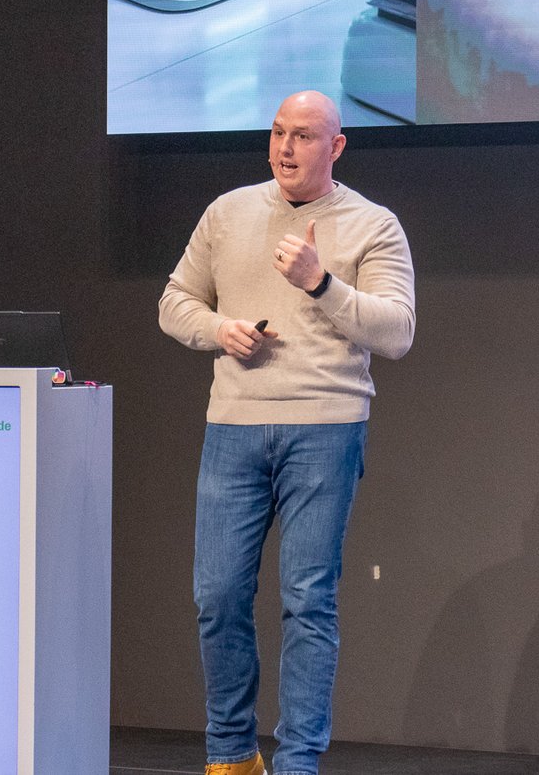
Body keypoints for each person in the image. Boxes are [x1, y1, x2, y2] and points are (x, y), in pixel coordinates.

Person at [159, 91, 416, 775]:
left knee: (307, 599)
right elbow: (174, 302)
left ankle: (298, 762)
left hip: (326, 427)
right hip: (234, 426)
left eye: (302, 135)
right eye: (277, 132)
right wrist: (220, 329)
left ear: (336, 147)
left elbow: (397, 331)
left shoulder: (372, 224)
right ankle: (232, 755)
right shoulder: (228, 212)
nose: (285, 147)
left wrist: (320, 282)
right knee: (217, 596)